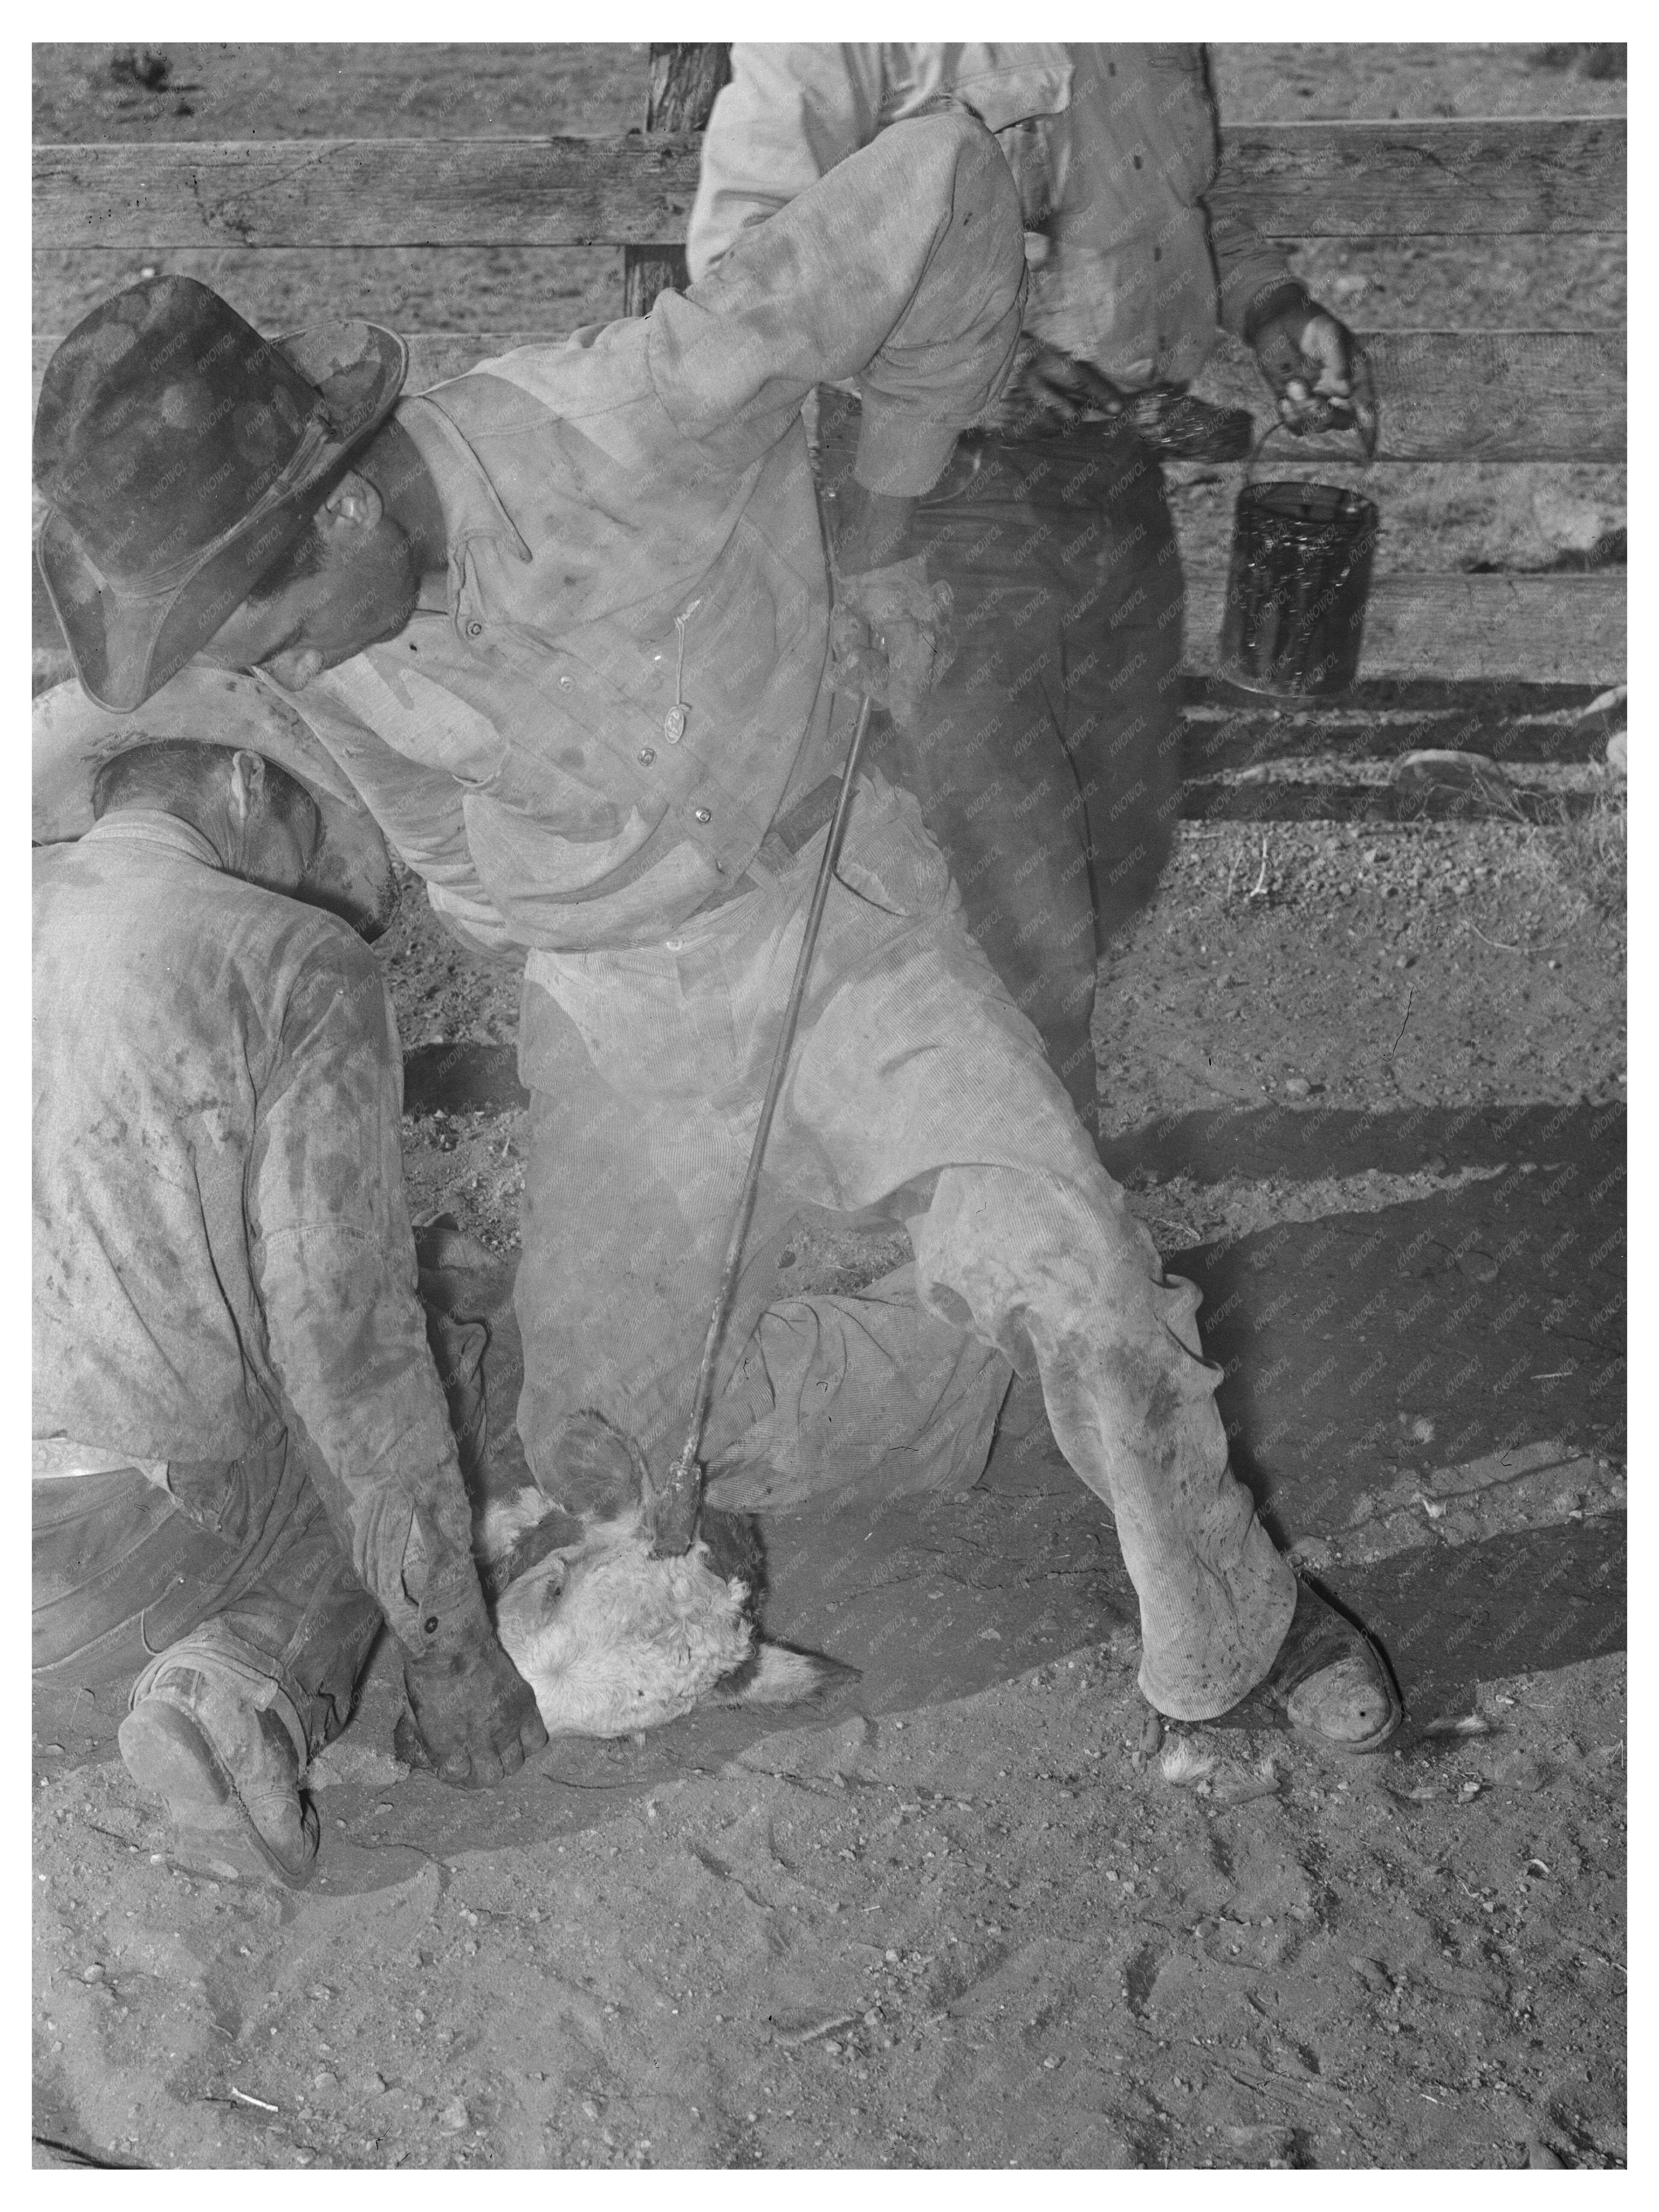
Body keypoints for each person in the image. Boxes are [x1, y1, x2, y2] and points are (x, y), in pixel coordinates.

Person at [33, 111, 1401, 1754]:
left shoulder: (634, 404)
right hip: (615, 1011)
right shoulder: (305, 661)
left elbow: (950, 179)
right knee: (604, 1437)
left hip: (843, 918)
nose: (273, 674)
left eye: (262, 628)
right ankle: (941, 1389)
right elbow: (425, 831)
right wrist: (552, 917)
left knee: (1087, 1291)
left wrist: (890, 509)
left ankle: (1231, 1623)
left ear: (331, 518)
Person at [688, 44, 1380, 1123]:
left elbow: (1185, 198)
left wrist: (1271, 306)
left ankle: (929, 1138)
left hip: (1115, 487)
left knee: (1118, 854)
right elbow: (744, 267)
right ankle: (1028, 1232)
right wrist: (980, 358)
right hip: (927, 498)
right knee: (1017, 907)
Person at [32, 671, 548, 1886]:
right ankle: (248, 1687)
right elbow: (347, 1341)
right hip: (81, 1568)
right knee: (449, 1356)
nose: (309, 874)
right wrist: (452, 1660)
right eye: (307, 830)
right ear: (245, 782)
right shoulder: (288, 958)